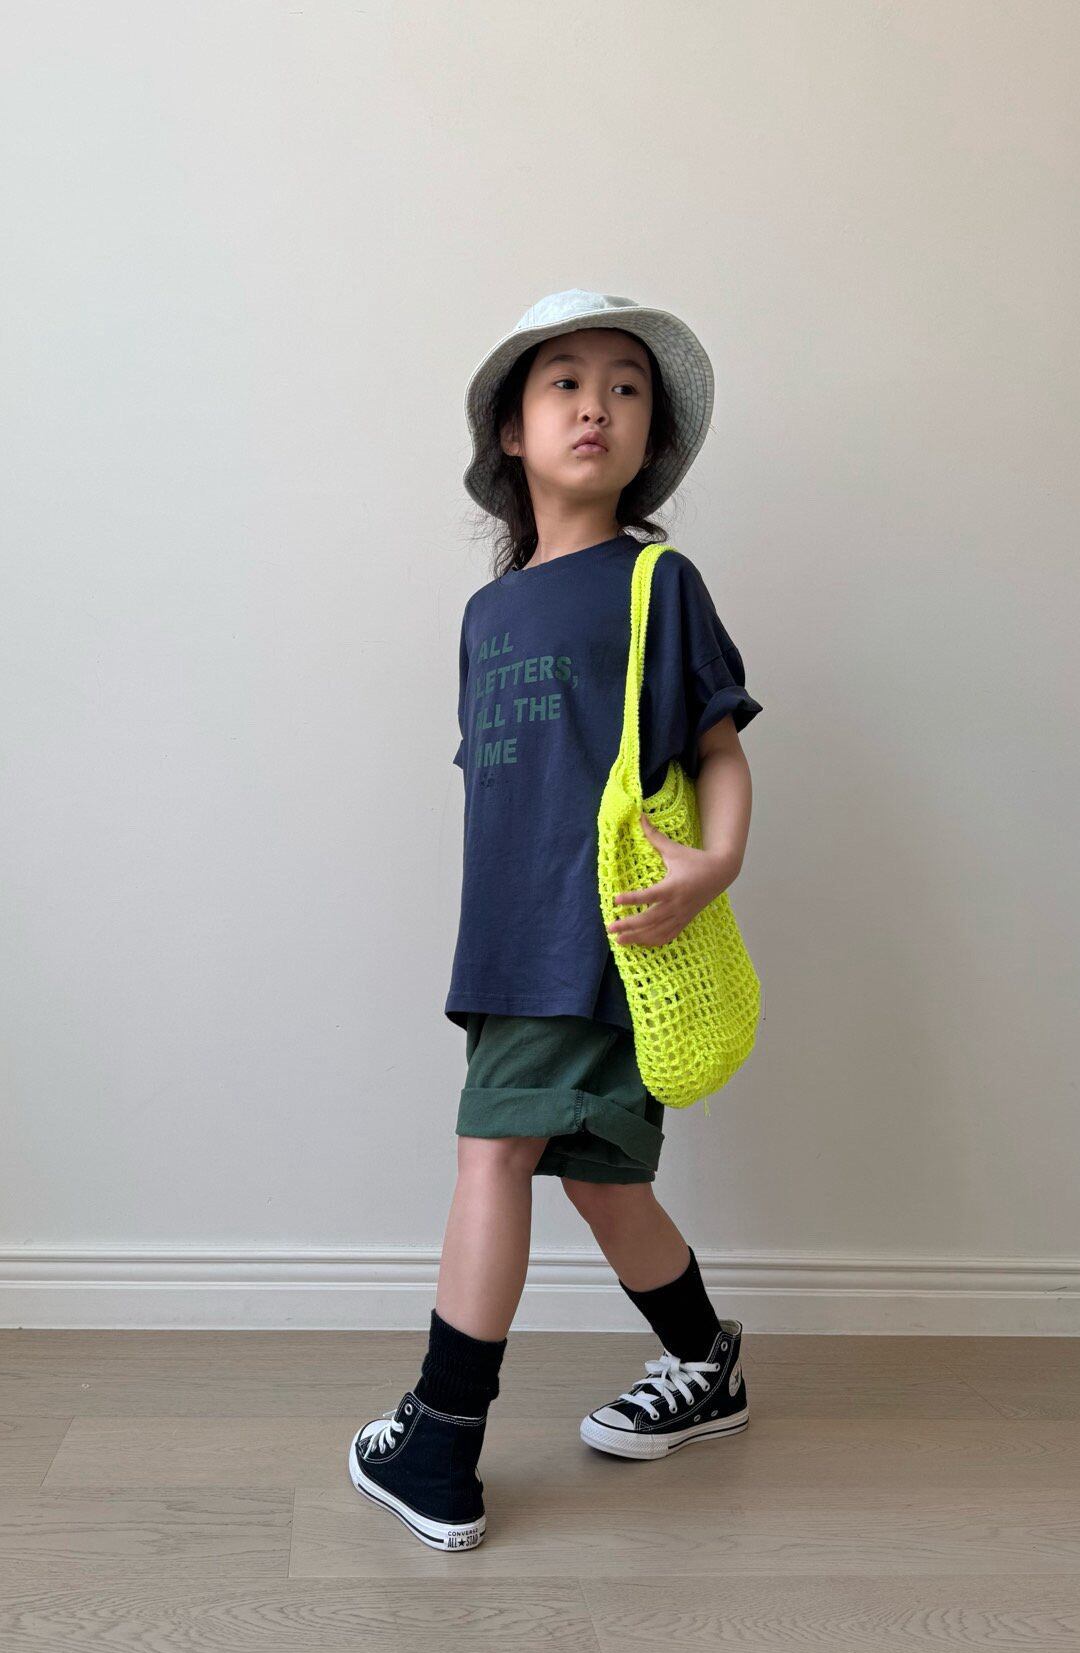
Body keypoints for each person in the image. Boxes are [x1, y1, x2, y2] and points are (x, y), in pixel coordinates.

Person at [349, 289, 763, 1551]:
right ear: (512, 433)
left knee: (492, 1159)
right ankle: (705, 1361)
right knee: (598, 1178)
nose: (597, 405)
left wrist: (714, 863)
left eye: (626, 387)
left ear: (649, 440)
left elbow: (715, 744)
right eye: (566, 382)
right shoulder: (488, 615)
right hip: (508, 939)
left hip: (604, 931)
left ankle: (440, 1441)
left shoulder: (653, 580)